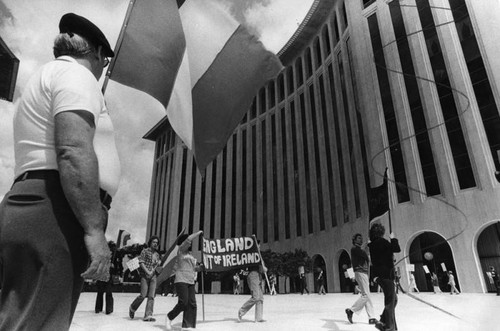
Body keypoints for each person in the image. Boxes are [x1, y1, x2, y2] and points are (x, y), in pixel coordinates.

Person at [0, 13, 118, 330]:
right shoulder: (76, 76)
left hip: (32, 200)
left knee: (21, 319)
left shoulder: (44, 76)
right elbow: (72, 149)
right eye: (104, 62)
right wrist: (94, 231)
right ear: (95, 53)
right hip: (58, 209)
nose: (102, 68)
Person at [165, 230, 204, 330]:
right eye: (188, 242)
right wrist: (198, 233)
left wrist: (200, 268)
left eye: (190, 243)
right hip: (181, 279)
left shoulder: (190, 255)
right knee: (183, 302)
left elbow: (194, 268)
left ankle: (188, 325)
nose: (190, 243)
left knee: (192, 303)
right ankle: (169, 317)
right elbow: (189, 239)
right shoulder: (181, 250)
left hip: (190, 280)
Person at [368, 223, 401, 331]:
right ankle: (389, 327)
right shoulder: (383, 242)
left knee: (393, 299)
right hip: (387, 275)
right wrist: (393, 238)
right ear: (381, 232)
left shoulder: (372, 245)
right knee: (390, 301)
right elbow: (396, 249)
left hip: (379, 276)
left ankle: (383, 321)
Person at [345, 233, 377, 325]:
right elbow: (365, 255)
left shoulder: (358, 249)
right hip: (360, 271)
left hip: (363, 272)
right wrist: (369, 246)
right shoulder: (355, 249)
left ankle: (371, 317)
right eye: (359, 238)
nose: (360, 240)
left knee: (367, 295)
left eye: (361, 238)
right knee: (366, 295)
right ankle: (351, 310)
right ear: (354, 240)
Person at [129, 236, 161, 322]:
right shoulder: (145, 251)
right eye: (153, 242)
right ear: (150, 242)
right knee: (143, 295)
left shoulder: (157, 254)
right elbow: (141, 263)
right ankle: (132, 307)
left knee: (151, 296)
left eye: (156, 243)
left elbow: (155, 265)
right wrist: (147, 272)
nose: (155, 244)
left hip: (153, 276)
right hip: (145, 276)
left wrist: (158, 264)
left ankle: (148, 315)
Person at [238, 240, 268, 323]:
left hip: (258, 276)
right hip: (253, 275)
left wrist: (263, 268)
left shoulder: (259, 254)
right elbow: (257, 267)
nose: (259, 247)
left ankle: (258, 318)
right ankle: (241, 311)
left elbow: (261, 268)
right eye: (258, 245)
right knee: (255, 297)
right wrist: (263, 268)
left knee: (260, 298)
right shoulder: (251, 254)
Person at [95, 241, 120, 314]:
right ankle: (99, 308)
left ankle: (107, 309)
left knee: (107, 292)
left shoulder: (115, 257)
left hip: (109, 276)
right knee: (101, 292)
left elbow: (117, 268)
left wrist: (113, 267)